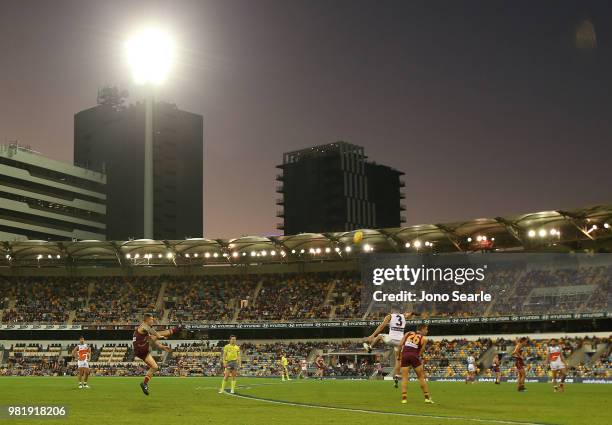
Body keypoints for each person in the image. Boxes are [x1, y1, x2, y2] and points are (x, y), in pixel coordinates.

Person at [363, 312, 414, 387]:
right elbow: (409, 315)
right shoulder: (403, 317)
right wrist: (413, 313)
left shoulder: (390, 316)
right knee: (398, 360)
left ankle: (370, 347)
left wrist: (373, 335)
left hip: (391, 340)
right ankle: (396, 377)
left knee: (380, 335)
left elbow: (381, 326)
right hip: (400, 342)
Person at [133, 313, 177, 395]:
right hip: (141, 348)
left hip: (142, 352)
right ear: (147, 320)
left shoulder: (145, 331)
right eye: (151, 319)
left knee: (155, 367)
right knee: (161, 333)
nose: (153, 320)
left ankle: (144, 384)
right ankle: (176, 329)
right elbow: (152, 332)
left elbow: (152, 339)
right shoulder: (143, 326)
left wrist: (162, 346)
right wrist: (159, 335)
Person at [398, 324, 434, 404]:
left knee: (404, 377)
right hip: (414, 356)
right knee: (421, 377)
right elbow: (421, 351)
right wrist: (416, 358)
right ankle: (427, 398)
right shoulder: (424, 339)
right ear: (422, 329)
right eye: (426, 329)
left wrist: (398, 356)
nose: (427, 331)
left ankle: (404, 398)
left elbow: (400, 345)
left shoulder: (408, 333)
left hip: (405, 355)